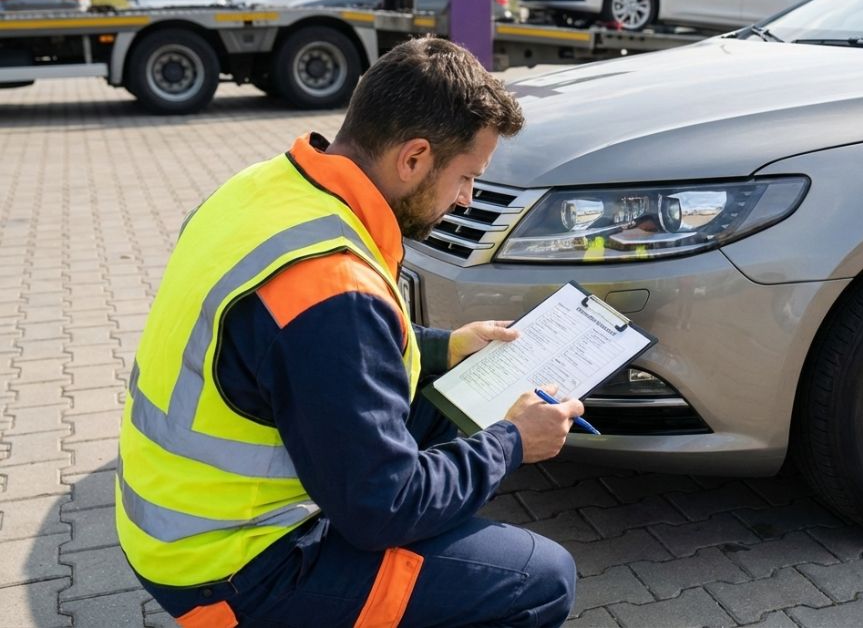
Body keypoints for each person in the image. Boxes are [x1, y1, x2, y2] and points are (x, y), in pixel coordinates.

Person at [115, 36, 585, 627]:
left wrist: (447, 346)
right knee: (539, 579)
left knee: (454, 397)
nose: (466, 200)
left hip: (177, 523)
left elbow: (308, 341)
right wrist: (513, 442)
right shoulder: (333, 294)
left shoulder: (264, 188)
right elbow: (382, 507)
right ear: (414, 158)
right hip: (236, 572)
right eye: (466, 177)